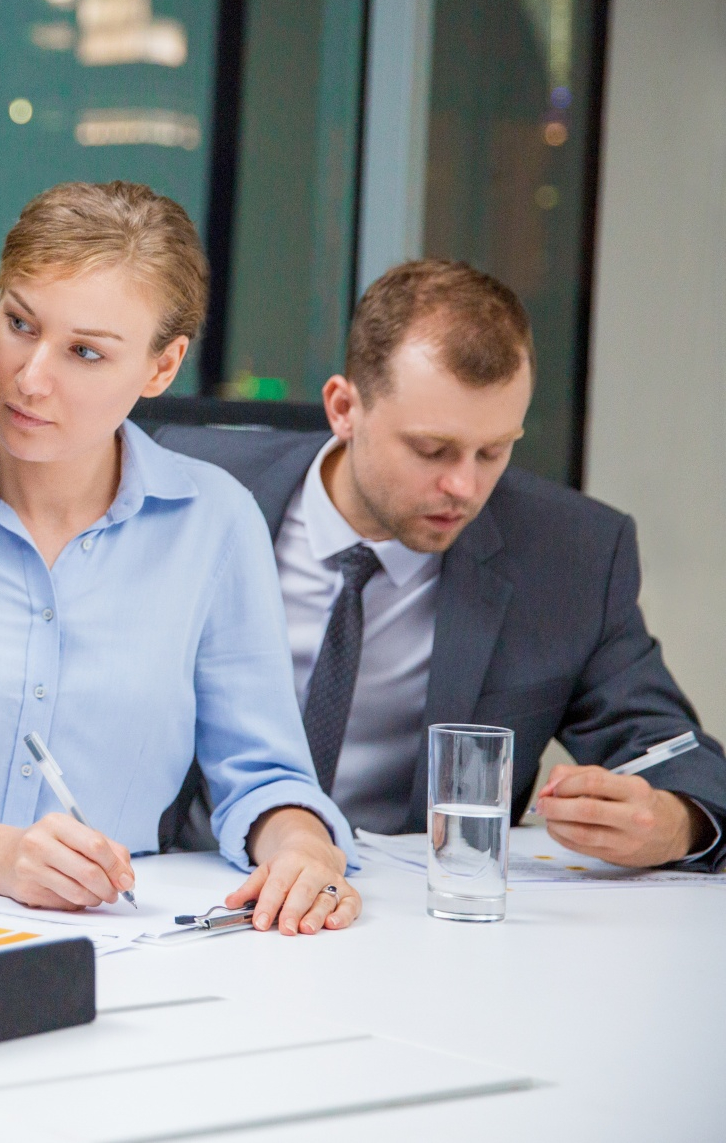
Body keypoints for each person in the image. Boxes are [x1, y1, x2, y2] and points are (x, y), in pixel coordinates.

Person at [0, 182, 361, 937]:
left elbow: (265, 774)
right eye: (19, 323)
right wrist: (1, 858)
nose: (30, 377)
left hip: (120, 938)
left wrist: (303, 847)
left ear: (161, 367)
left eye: (85, 351)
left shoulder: (216, 522)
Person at [156, 260, 726, 869]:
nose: (464, 486)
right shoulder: (185, 484)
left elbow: (673, 751)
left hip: (407, 902)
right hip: (185, 879)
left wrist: (676, 822)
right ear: (344, 408)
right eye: (432, 450)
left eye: (494, 451)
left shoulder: (568, 554)